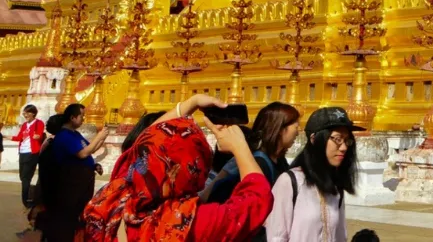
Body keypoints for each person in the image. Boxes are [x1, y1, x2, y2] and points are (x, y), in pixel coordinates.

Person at [81, 93, 272, 242]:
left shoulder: (112, 201)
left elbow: (142, 149)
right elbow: (258, 198)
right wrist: (240, 147)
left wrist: (189, 104)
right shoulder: (194, 222)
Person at [265, 106, 362, 242]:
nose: (344, 147)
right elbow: (276, 237)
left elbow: (340, 236)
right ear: (314, 139)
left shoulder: (336, 187)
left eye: (347, 141)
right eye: (338, 139)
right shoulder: (290, 182)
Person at [205, 102, 302, 204]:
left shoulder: (279, 160)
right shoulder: (258, 163)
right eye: (296, 126)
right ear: (281, 129)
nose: (298, 131)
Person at [42, 102, 108, 241]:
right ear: (72, 118)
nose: (83, 119)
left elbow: (90, 149)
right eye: (82, 116)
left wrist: (101, 139)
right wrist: (99, 136)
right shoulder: (64, 136)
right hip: (71, 184)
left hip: (82, 182)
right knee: (67, 219)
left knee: (78, 216)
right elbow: (83, 154)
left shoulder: (75, 134)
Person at [10, 104, 46, 208]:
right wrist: (5, 136)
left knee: (26, 178)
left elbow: (39, 135)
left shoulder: (38, 123)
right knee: (23, 177)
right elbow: (18, 138)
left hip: (32, 152)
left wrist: (37, 136)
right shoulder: (24, 125)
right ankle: (29, 196)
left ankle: (25, 200)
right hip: (22, 152)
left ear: (33, 113)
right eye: (24, 113)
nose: (25, 115)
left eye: (27, 113)